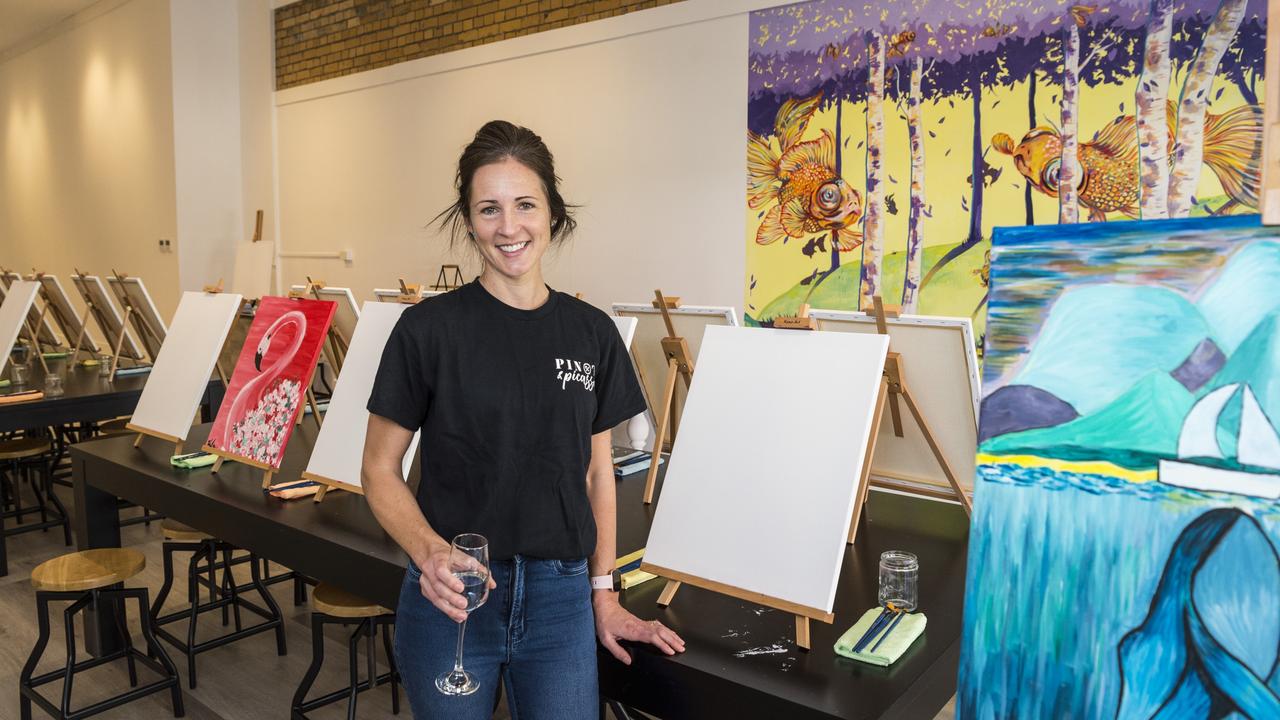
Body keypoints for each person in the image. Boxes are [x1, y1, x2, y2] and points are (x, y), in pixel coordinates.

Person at [361, 119, 685, 719]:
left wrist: (603, 594)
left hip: (559, 601)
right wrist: (430, 553)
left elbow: (596, 475)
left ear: (553, 212)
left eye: (525, 205)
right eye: (488, 209)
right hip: (453, 597)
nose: (509, 228)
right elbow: (379, 469)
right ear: (468, 221)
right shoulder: (428, 332)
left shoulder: (592, 335)